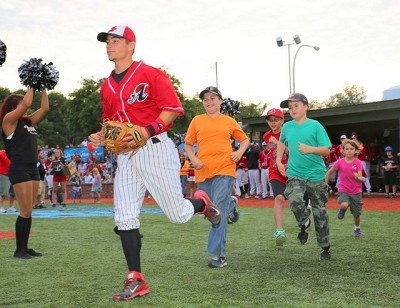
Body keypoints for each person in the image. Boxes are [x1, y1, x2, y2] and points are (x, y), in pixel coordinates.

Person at [89, 25, 221, 301]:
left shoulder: (150, 74)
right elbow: (110, 121)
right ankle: (136, 279)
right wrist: (102, 136)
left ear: (131, 45)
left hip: (155, 148)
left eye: (116, 40)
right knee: (124, 217)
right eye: (107, 41)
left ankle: (202, 204)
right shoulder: (106, 85)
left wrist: (146, 130)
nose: (109, 45)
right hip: (126, 155)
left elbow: (173, 109)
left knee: (178, 215)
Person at [185, 86, 250, 268]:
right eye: (206, 99)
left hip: (225, 169)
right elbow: (188, 144)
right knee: (210, 211)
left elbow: (244, 140)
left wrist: (239, 152)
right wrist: (194, 159)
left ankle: (218, 255)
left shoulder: (229, 121)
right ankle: (231, 205)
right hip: (203, 170)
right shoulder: (197, 121)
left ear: (220, 101)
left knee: (218, 212)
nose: (209, 102)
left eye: (213, 98)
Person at [276, 93, 332, 260]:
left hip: (316, 175)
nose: (292, 109)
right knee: (294, 200)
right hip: (295, 173)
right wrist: (278, 160)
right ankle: (304, 223)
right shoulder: (287, 127)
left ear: (306, 106)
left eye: (296, 106)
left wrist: (311, 149)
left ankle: (325, 247)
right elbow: (281, 142)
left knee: (320, 212)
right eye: (290, 107)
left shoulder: (315, 126)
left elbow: (327, 150)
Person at [0, 87, 49, 259]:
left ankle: (25, 248)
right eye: (21, 104)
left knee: (29, 210)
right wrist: (32, 84)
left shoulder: (27, 122)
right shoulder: (9, 120)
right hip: (19, 167)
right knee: (24, 210)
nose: (26, 106)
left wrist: (43, 87)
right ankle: (18, 250)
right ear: (14, 106)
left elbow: (44, 109)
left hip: (32, 168)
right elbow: (28, 101)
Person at [325, 138, 365, 237]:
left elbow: (360, 178)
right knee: (344, 204)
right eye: (346, 149)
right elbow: (329, 172)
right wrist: (325, 184)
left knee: (356, 214)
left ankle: (357, 228)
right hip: (343, 189)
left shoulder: (358, 163)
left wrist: (358, 178)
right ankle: (342, 209)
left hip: (356, 191)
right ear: (342, 151)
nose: (349, 151)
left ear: (356, 150)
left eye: (351, 149)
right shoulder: (339, 162)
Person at [262, 108, 289, 245]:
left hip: (291, 171)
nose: (273, 123)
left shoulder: (289, 133)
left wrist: (278, 142)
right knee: (279, 198)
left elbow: (293, 151)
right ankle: (279, 230)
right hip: (274, 171)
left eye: (276, 120)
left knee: (297, 202)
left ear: (282, 120)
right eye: (270, 120)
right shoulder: (266, 136)